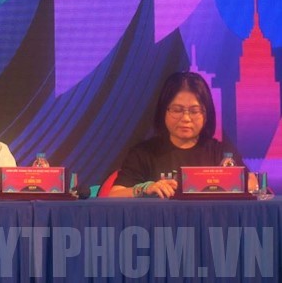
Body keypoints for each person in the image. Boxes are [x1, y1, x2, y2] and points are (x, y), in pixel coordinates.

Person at [108, 70, 256, 198]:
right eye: (177, 110)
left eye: (194, 111)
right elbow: (114, 194)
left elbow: (251, 184)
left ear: (206, 115)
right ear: (163, 111)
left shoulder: (221, 153)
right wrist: (145, 188)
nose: (185, 118)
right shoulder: (143, 153)